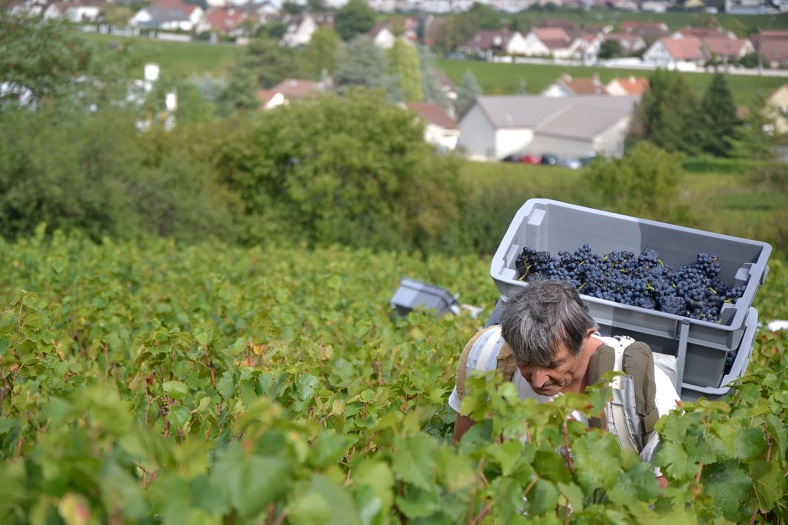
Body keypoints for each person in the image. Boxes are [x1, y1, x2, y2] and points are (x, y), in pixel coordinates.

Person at [447, 279, 680, 488]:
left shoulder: (642, 389)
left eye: (552, 364)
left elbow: (664, 490)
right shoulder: (488, 359)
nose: (538, 381)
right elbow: (463, 456)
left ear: (585, 337)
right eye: (526, 362)